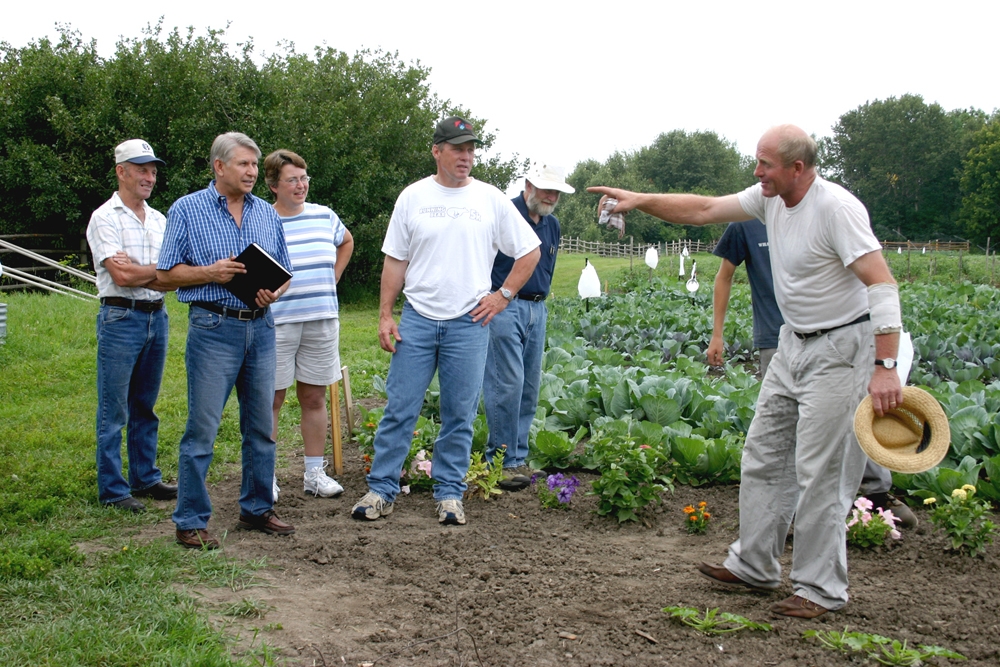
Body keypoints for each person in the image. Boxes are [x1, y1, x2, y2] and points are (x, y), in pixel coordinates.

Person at [590, 124, 903, 618]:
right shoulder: (769, 199)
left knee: (822, 473)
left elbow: (882, 285)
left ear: (797, 167)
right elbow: (704, 209)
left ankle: (821, 590)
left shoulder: (836, 209)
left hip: (842, 348)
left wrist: (885, 367)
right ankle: (755, 565)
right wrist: (640, 199)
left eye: (766, 164)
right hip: (791, 344)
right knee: (764, 453)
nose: (757, 172)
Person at [352, 116, 541, 526]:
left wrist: (503, 295)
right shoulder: (413, 197)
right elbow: (396, 260)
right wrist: (386, 314)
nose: (466, 156)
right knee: (400, 407)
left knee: (460, 413)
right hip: (417, 319)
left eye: (471, 149)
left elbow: (529, 252)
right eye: (458, 148)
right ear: (437, 151)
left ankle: (450, 494)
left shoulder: (490, 200)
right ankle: (381, 489)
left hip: (469, 323)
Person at [708, 220, 917, 529]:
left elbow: (870, 277)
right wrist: (717, 333)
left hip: (836, 336)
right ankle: (790, 511)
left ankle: (876, 493)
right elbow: (724, 275)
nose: (761, 175)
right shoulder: (745, 224)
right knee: (786, 426)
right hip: (776, 337)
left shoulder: (821, 212)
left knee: (856, 414)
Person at [157, 132, 296, 549]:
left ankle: (257, 508)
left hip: (262, 327)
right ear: (219, 167)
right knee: (202, 429)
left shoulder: (266, 214)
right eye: (243, 165)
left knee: (261, 427)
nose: (252, 172)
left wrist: (275, 292)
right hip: (214, 329)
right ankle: (191, 519)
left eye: (255, 166)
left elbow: (285, 273)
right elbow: (164, 276)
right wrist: (210, 273)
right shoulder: (187, 209)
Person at [86, 139, 177, 513]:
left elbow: (174, 277)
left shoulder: (160, 220)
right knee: (114, 409)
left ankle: (145, 477)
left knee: (145, 403)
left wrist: (150, 274)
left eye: (153, 170)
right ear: (121, 171)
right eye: (141, 169)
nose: (149, 177)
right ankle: (112, 489)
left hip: (158, 315)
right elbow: (121, 276)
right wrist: (158, 273)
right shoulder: (104, 217)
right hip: (120, 317)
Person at [264, 149, 354, 499]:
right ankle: (265, 475)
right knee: (271, 399)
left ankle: (314, 474)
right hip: (278, 321)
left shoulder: (324, 215)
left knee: (314, 397)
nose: (301, 185)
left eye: (304, 178)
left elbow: (346, 241)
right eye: (292, 180)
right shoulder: (263, 218)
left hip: (321, 319)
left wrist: (334, 276)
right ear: (273, 185)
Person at [483, 163, 574, 490]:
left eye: (556, 192)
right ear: (528, 185)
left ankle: (517, 457)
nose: (551, 197)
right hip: (505, 307)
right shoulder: (504, 214)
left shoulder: (552, 225)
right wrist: (493, 297)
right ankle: (500, 459)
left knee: (528, 388)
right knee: (505, 384)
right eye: (547, 189)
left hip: (538, 309)